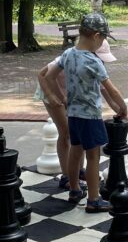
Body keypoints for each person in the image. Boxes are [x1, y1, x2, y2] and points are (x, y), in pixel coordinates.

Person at [44, 13, 127, 213]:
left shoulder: (68, 54)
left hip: (72, 114)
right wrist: (123, 108)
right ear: (97, 36)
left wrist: (61, 97)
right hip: (90, 116)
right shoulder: (93, 61)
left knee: (75, 152)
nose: (103, 41)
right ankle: (94, 199)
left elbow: (49, 76)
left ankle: (74, 190)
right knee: (92, 157)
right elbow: (112, 89)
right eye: (104, 38)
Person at [35, 38, 118, 191]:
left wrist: (121, 112)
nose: (102, 62)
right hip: (51, 93)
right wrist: (53, 96)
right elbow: (42, 75)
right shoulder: (66, 58)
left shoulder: (93, 66)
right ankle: (66, 176)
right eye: (100, 57)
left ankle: (79, 172)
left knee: (77, 137)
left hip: (70, 96)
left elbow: (107, 93)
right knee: (66, 133)